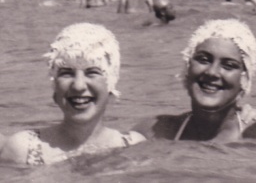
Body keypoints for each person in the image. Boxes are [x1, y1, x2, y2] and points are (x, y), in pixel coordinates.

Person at [0, 23, 146, 165]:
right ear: (55, 86)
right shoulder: (25, 150)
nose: (78, 85)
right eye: (66, 73)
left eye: (92, 72)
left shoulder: (133, 147)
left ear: (111, 84)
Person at [133, 19, 256, 142]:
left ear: (245, 78)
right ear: (187, 67)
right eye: (203, 60)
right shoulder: (157, 132)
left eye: (228, 65)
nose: (212, 72)